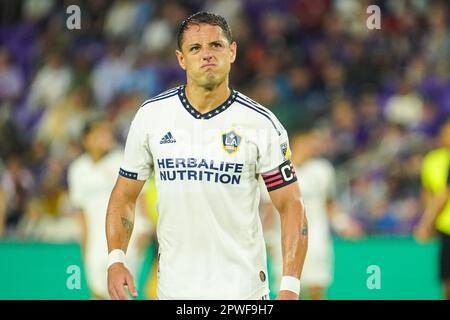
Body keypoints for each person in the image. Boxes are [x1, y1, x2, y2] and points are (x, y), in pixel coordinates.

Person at [105, 11, 308, 300]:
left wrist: (290, 286)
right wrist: (116, 259)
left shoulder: (261, 124)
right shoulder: (151, 117)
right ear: (181, 58)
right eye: (195, 48)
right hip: (175, 292)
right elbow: (124, 195)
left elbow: (292, 205)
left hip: (243, 293)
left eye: (216, 45)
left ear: (232, 51)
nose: (207, 55)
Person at [261, 127, 364, 299]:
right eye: (308, 141)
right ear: (296, 143)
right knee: (289, 292)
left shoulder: (323, 170)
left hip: (317, 239)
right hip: (285, 242)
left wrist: (344, 223)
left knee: (317, 289)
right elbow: (268, 210)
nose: (313, 146)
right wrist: (268, 236)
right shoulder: (275, 169)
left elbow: (329, 204)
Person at [68, 117, 151, 299]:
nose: (105, 137)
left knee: (122, 292)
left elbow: (139, 196)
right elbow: (80, 212)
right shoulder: (77, 169)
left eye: (107, 133)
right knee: (97, 292)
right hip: (95, 242)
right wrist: (85, 244)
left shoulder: (121, 160)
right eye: (99, 134)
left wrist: (144, 226)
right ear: (86, 139)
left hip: (125, 239)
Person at [414, 118, 450, 300]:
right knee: (446, 280)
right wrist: (430, 221)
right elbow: (428, 192)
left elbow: (444, 194)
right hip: (445, 226)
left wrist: (425, 222)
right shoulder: (432, 160)